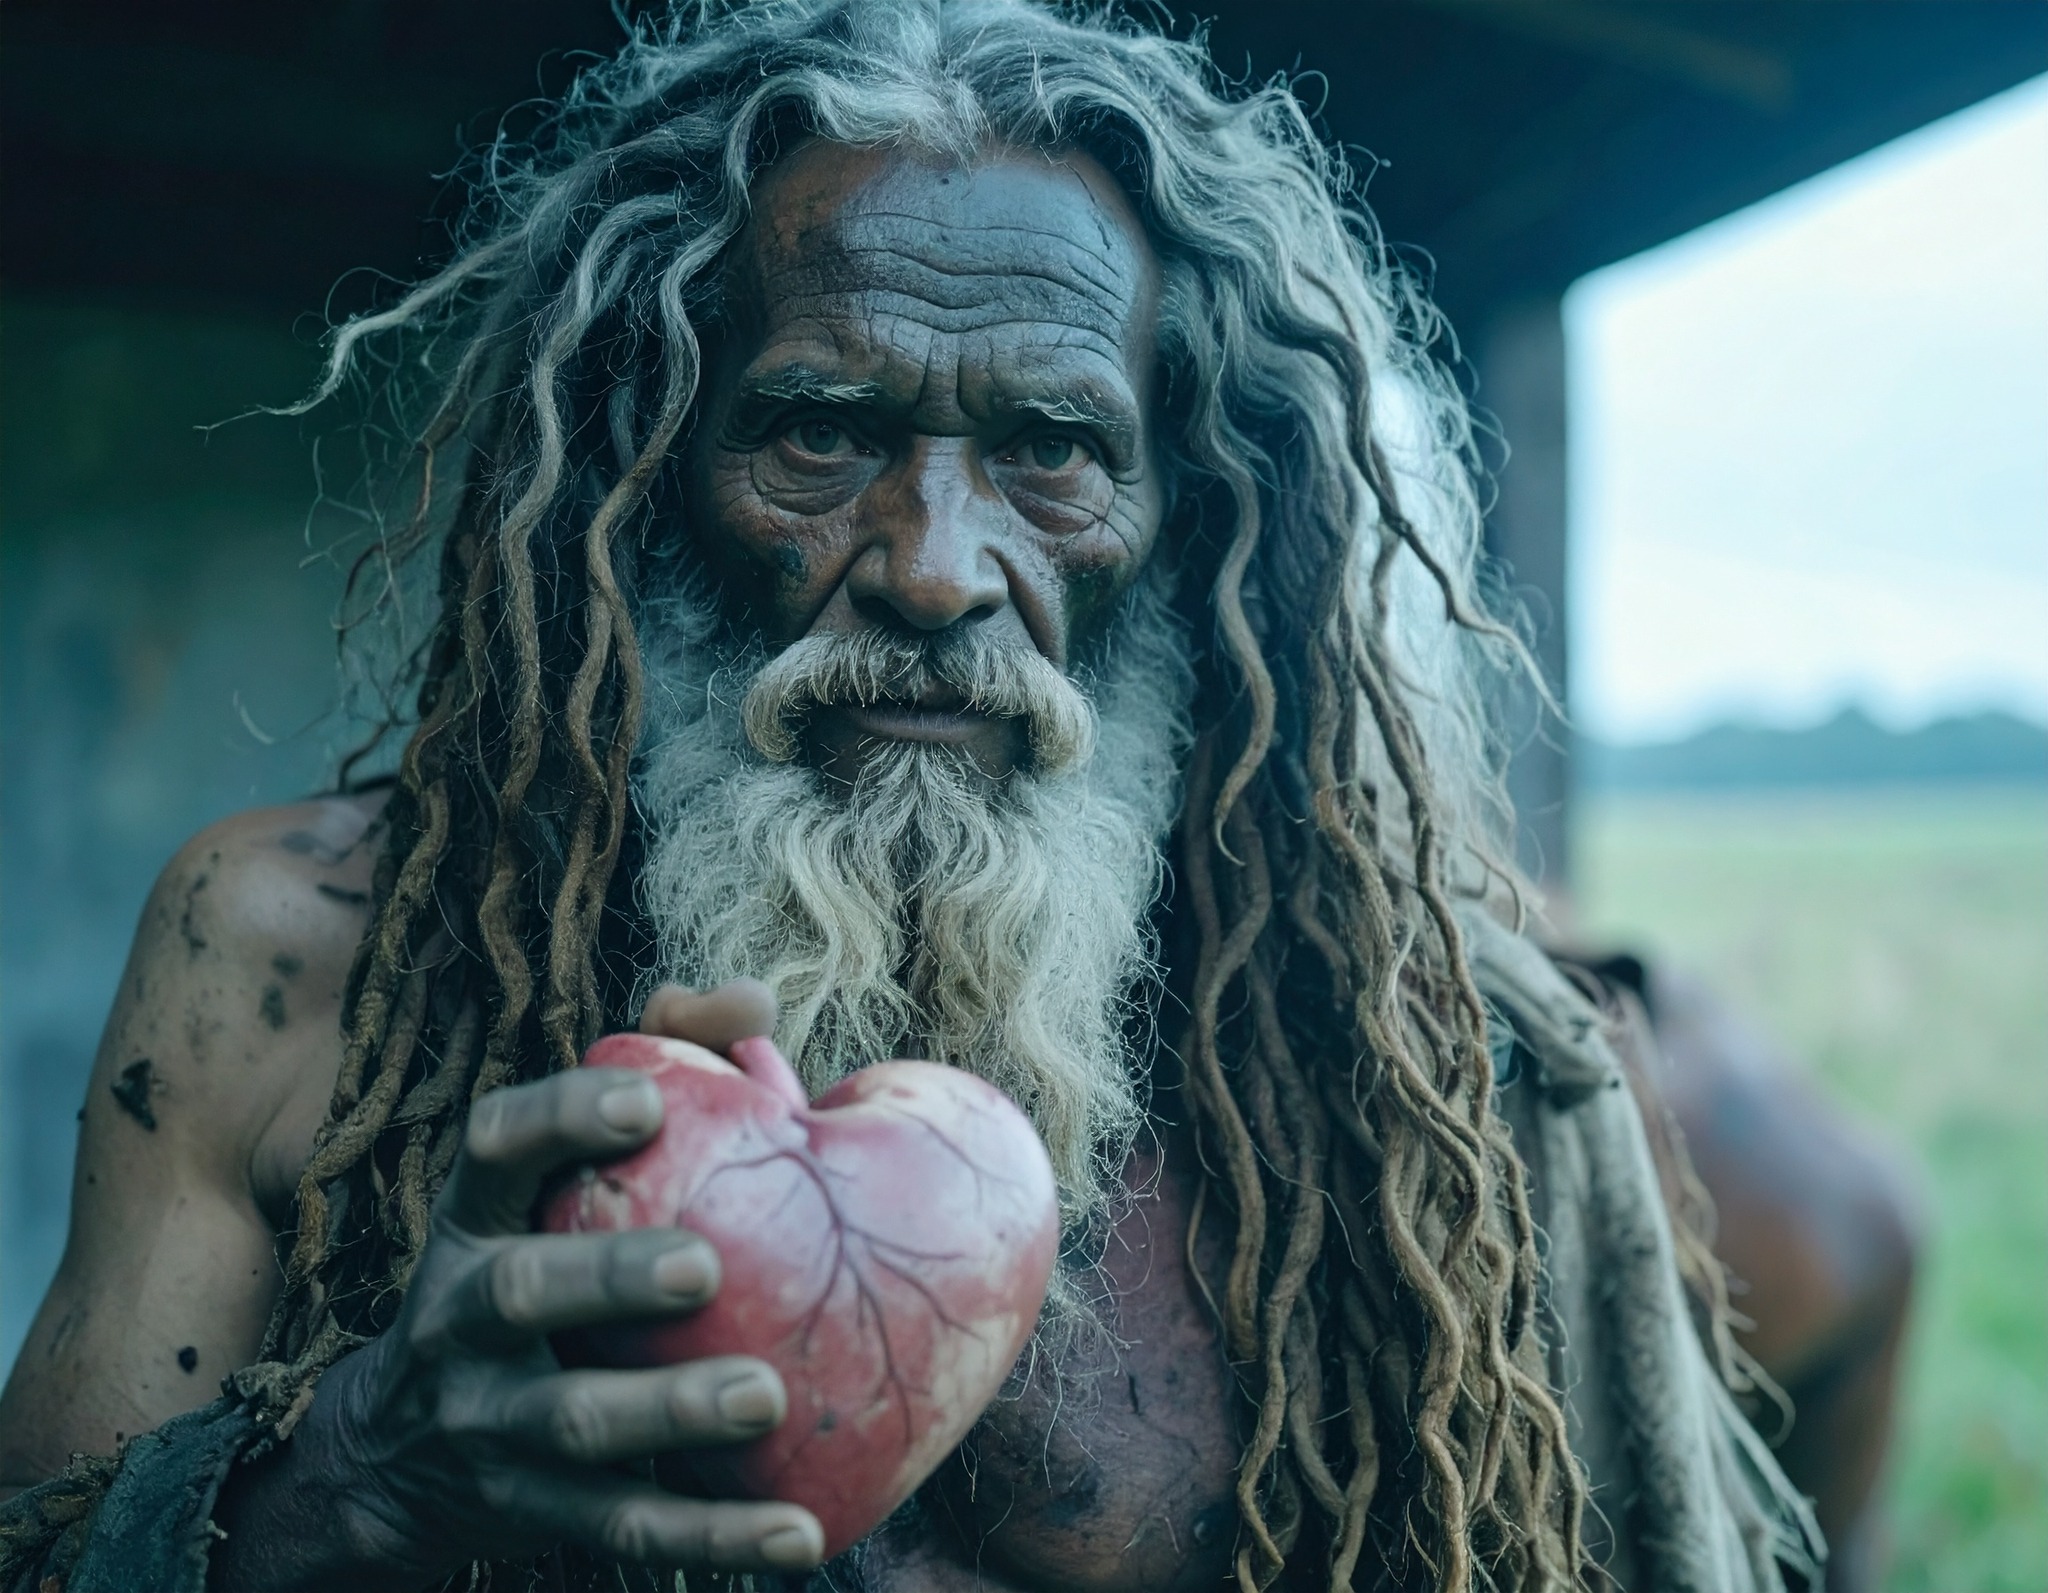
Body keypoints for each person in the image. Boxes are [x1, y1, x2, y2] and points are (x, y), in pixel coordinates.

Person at [0, 3, 1820, 1589]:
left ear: (1182, 518)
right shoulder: (291, 969)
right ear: (649, 470)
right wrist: (353, 1473)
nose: (937, 568)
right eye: (820, 432)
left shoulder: (1413, 1052)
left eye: (1052, 449)